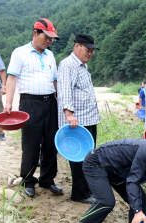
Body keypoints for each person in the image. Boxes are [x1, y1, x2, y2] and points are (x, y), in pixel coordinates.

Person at [4, 18, 61, 198]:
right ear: (35, 33)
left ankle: (47, 179)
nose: (49, 41)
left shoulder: (50, 55)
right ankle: (28, 180)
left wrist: (59, 101)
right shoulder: (20, 53)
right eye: (47, 37)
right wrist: (8, 104)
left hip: (50, 102)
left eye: (52, 38)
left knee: (51, 142)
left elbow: (54, 81)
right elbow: (12, 79)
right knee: (31, 143)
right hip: (29, 103)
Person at [57, 34, 100, 204]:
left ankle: (86, 190)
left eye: (92, 51)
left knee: (89, 156)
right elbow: (65, 91)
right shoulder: (68, 65)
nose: (89, 53)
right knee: (80, 157)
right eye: (87, 49)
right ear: (77, 46)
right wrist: (69, 114)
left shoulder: (82, 66)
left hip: (88, 119)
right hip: (77, 121)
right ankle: (80, 194)